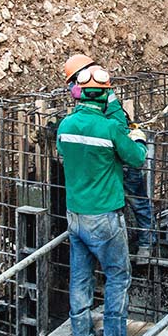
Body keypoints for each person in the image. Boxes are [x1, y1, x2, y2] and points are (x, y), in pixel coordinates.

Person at [56, 65, 151, 336]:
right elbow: (136, 159)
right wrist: (137, 137)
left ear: (79, 94)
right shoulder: (111, 129)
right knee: (117, 279)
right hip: (105, 219)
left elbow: (66, 153)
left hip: (75, 216)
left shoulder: (66, 126)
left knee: (80, 280)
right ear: (107, 94)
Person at [64, 54, 157, 263]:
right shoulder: (101, 89)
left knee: (136, 200)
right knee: (133, 202)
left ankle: (146, 243)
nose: (71, 89)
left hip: (119, 153)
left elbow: (97, 126)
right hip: (111, 151)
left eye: (72, 83)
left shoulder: (98, 94)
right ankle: (142, 243)